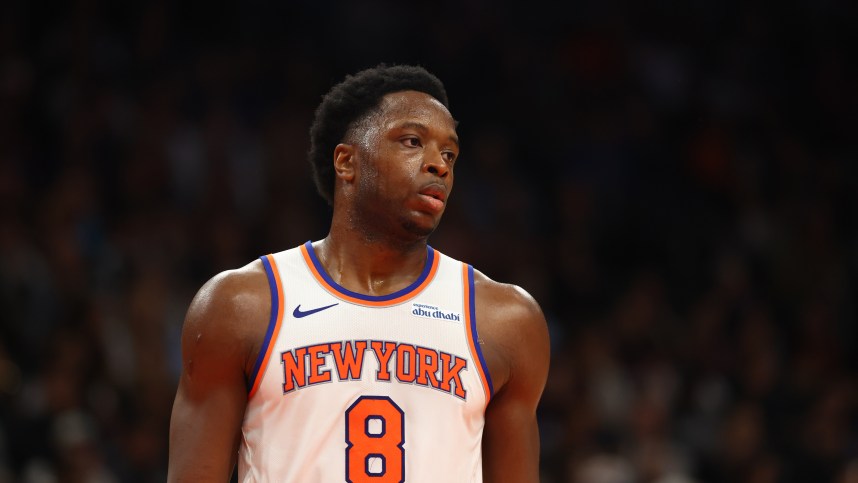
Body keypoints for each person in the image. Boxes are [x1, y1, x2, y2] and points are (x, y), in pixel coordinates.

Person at [167, 64, 550, 482]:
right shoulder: (241, 305)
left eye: (449, 154)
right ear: (347, 162)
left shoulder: (503, 319)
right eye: (412, 141)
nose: (438, 165)